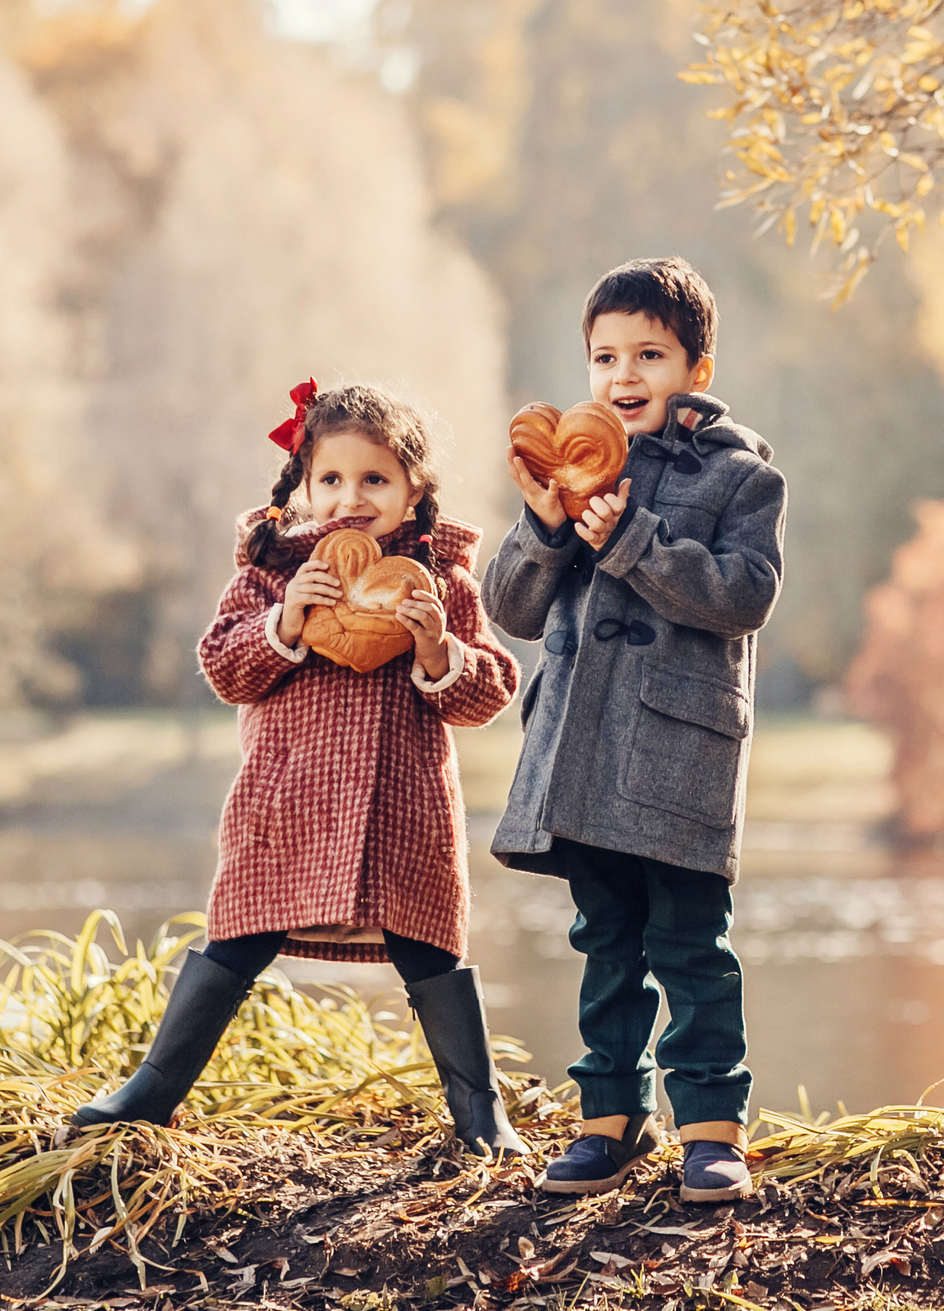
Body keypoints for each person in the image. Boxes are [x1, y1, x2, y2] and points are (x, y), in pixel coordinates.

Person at [72, 380, 528, 1156]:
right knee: (238, 939)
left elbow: (489, 691)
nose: (353, 496)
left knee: (431, 949)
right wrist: (283, 620)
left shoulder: (440, 583)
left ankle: (481, 1115)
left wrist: (437, 649)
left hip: (401, 807)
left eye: (376, 479)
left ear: (414, 489)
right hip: (285, 803)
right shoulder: (275, 571)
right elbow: (223, 666)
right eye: (332, 478)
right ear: (304, 484)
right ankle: (152, 1087)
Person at [483, 258, 788, 1204]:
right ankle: (608, 1120)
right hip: (579, 755)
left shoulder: (742, 477)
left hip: (675, 755)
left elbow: (745, 596)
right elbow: (511, 611)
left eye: (649, 353)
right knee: (606, 942)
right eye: (605, 355)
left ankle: (710, 1130)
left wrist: (631, 543)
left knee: (693, 948)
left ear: (696, 368)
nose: (625, 375)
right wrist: (545, 529)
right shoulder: (567, 474)